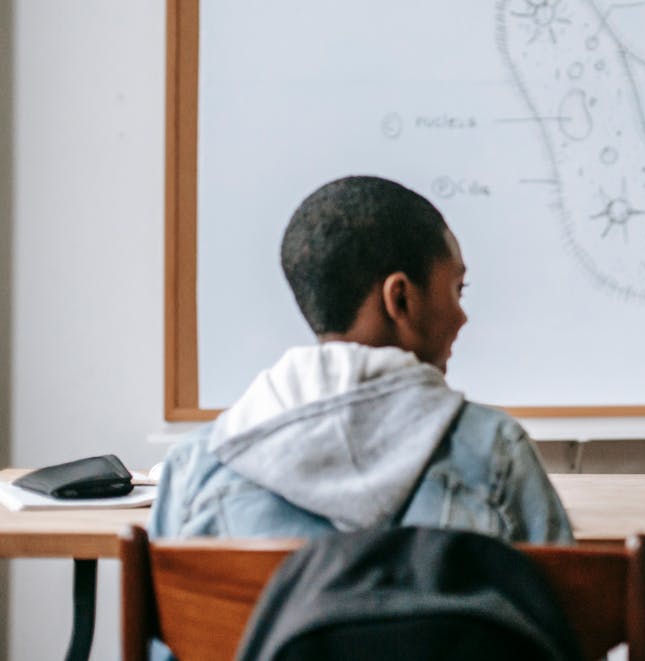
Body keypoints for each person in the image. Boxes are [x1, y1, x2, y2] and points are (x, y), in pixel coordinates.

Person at [150, 175, 574, 544]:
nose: (462, 316)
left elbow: (164, 639)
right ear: (400, 298)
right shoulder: (494, 452)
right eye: (457, 290)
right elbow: (559, 628)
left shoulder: (197, 467)